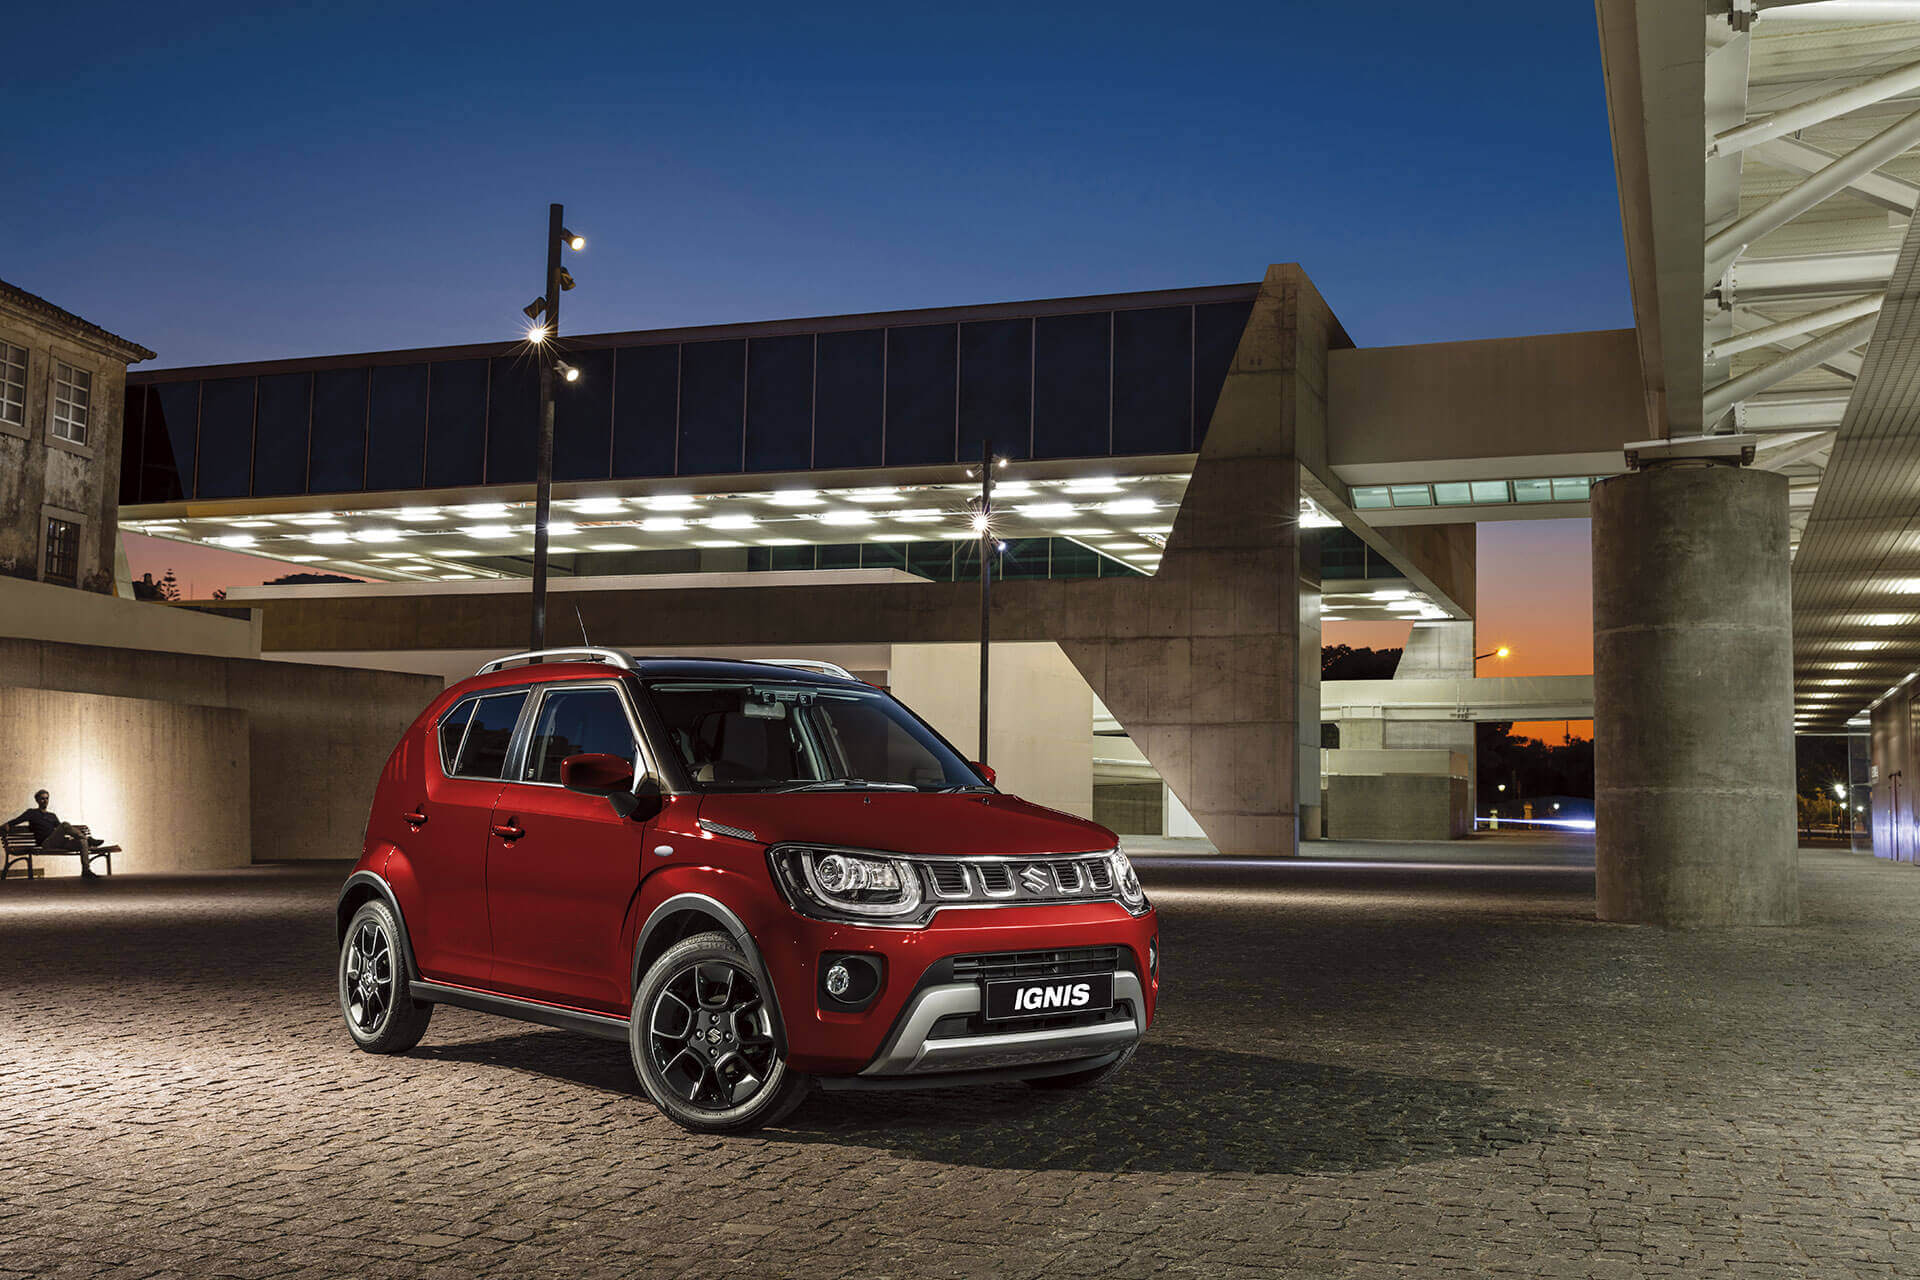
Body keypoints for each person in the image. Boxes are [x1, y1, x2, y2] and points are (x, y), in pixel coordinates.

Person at [9, 790, 104, 880]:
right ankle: (88, 839)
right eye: (42, 798)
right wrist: (8, 825)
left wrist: (71, 837)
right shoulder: (31, 813)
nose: (45, 801)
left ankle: (86, 871)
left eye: (47, 798)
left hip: (60, 842)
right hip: (46, 843)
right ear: (37, 800)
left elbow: (61, 830)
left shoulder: (52, 815)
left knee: (82, 841)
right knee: (65, 824)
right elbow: (18, 820)